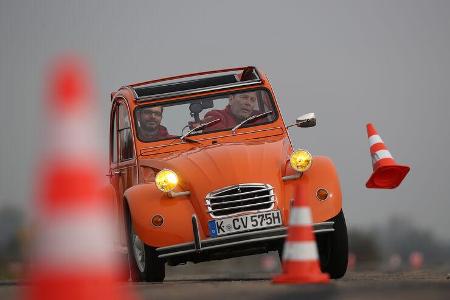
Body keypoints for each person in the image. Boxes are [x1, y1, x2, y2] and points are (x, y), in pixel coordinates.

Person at [192, 91, 262, 132]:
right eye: (244, 97)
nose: (248, 103)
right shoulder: (216, 116)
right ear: (231, 99)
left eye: (252, 100)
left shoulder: (261, 117)